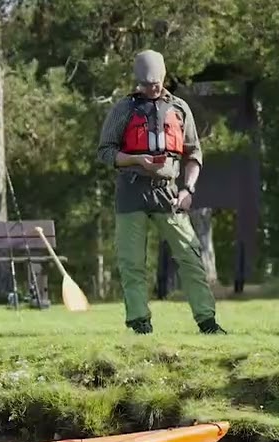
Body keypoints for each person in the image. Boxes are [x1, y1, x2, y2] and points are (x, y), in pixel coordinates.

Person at [96, 49, 225, 335]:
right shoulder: (123, 109)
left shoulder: (179, 109)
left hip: (168, 193)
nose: (151, 88)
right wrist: (135, 160)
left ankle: (207, 321)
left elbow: (194, 154)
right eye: (145, 84)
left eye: (155, 83)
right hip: (131, 192)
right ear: (137, 81)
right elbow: (105, 152)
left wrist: (188, 189)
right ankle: (140, 322)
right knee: (132, 262)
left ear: (164, 77)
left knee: (190, 256)